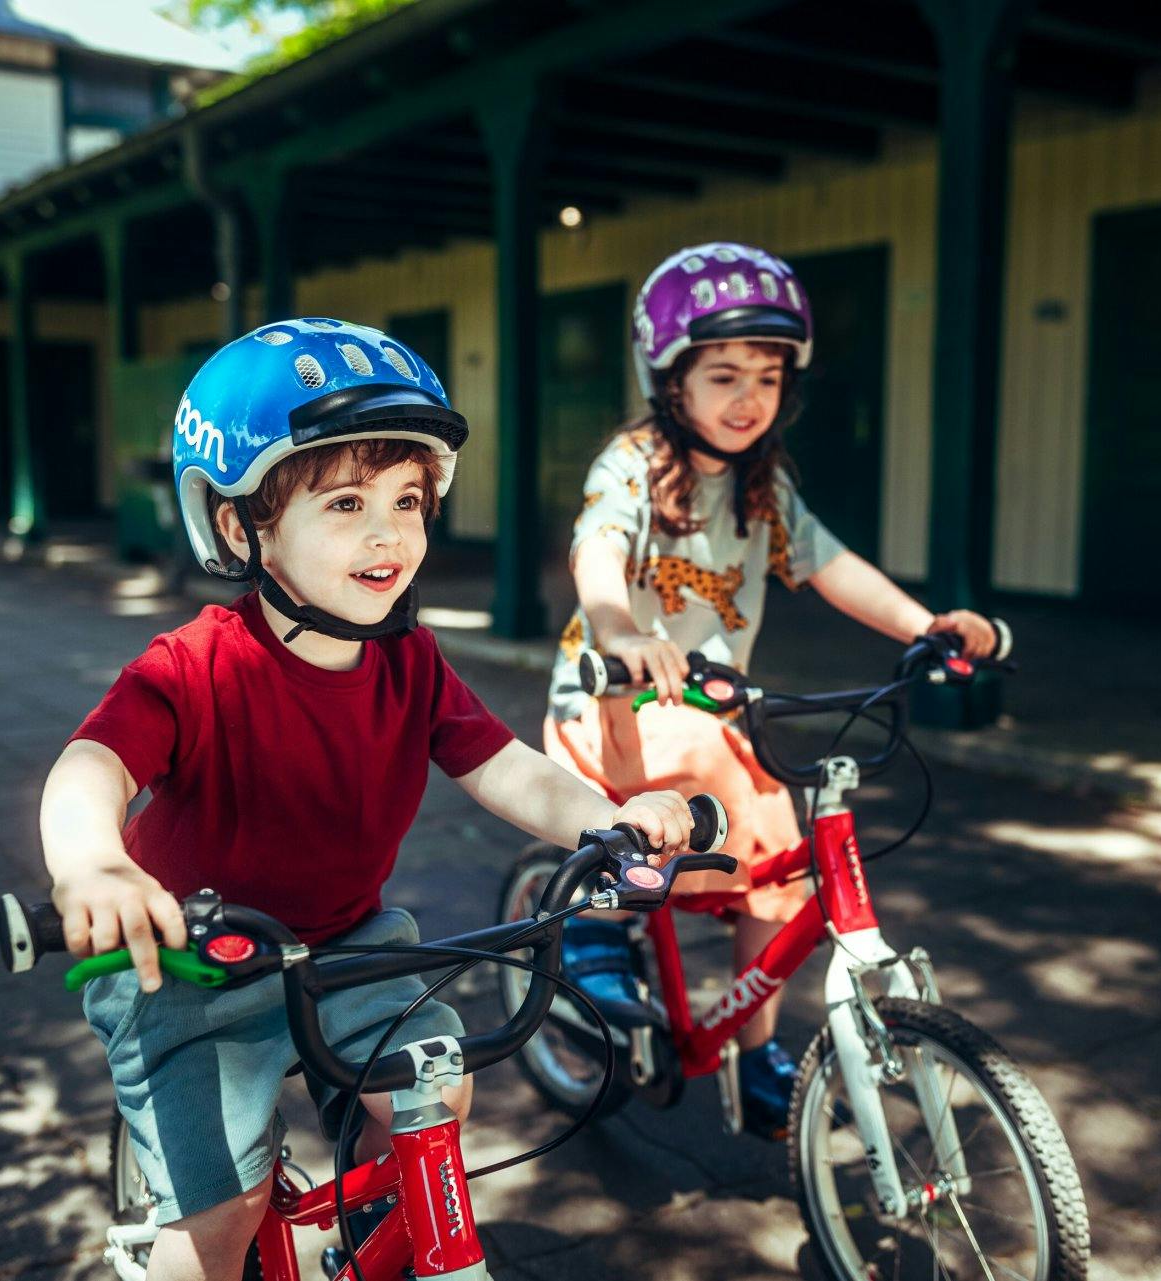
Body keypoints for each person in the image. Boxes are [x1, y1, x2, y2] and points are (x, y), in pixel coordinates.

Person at [41, 317, 695, 1281]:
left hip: (347, 942)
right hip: (191, 963)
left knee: (441, 1094)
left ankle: (377, 1242)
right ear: (239, 524)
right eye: (344, 502)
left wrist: (605, 815)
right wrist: (90, 860)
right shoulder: (196, 667)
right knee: (215, 1220)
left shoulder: (410, 659)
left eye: (408, 499)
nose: (389, 531)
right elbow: (90, 765)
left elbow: (503, 764)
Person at [544, 244, 1002, 1139]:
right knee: (665, 806)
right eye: (723, 374)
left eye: (768, 373)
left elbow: (832, 566)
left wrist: (924, 626)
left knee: (783, 872)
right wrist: (621, 629)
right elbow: (596, 549)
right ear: (670, 379)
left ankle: (755, 1054)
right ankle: (592, 923)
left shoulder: (766, 484)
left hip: (715, 713)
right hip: (614, 703)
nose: (748, 396)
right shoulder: (633, 463)